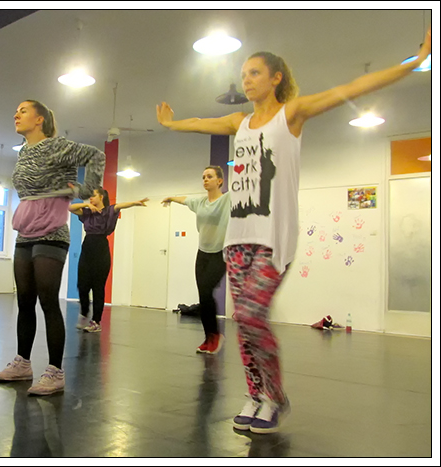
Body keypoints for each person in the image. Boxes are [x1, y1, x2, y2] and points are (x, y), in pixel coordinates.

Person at [156, 28, 431, 434]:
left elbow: (351, 88)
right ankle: (255, 394)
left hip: (273, 238)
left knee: (253, 314)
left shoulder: (292, 114)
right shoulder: (240, 121)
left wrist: (415, 61)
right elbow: (203, 122)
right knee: (244, 321)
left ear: (276, 77)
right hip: (238, 239)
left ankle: (276, 397)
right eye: (243, 75)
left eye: (254, 73)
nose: (246, 80)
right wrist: (172, 124)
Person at [0, 100, 105, 396]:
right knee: (25, 300)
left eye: (23, 111)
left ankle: (55, 372)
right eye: (16, 110)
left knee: (47, 301)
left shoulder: (56, 146)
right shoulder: (24, 151)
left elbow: (96, 155)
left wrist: (86, 190)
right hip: (25, 232)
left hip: (52, 232)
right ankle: (22, 363)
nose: (16, 114)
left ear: (39, 119)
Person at [162, 166, 230, 354]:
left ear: (220, 181)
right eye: (203, 177)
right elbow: (185, 200)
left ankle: (216, 336)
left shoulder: (227, 200)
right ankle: (209, 338)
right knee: (203, 295)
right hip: (203, 254)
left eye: (210, 176)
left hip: (220, 253)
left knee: (207, 290)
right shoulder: (200, 202)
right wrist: (171, 198)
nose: (205, 179)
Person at [70, 189, 149, 333]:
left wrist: (135, 202)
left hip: (101, 250)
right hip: (87, 249)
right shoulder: (87, 212)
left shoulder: (109, 211)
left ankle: (96, 322)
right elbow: (70, 208)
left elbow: (121, 205)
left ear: (101, 197)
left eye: (93, 196)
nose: (91, 198)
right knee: (82, 285)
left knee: (98, 287)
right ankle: (84, 313)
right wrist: (87, 205)